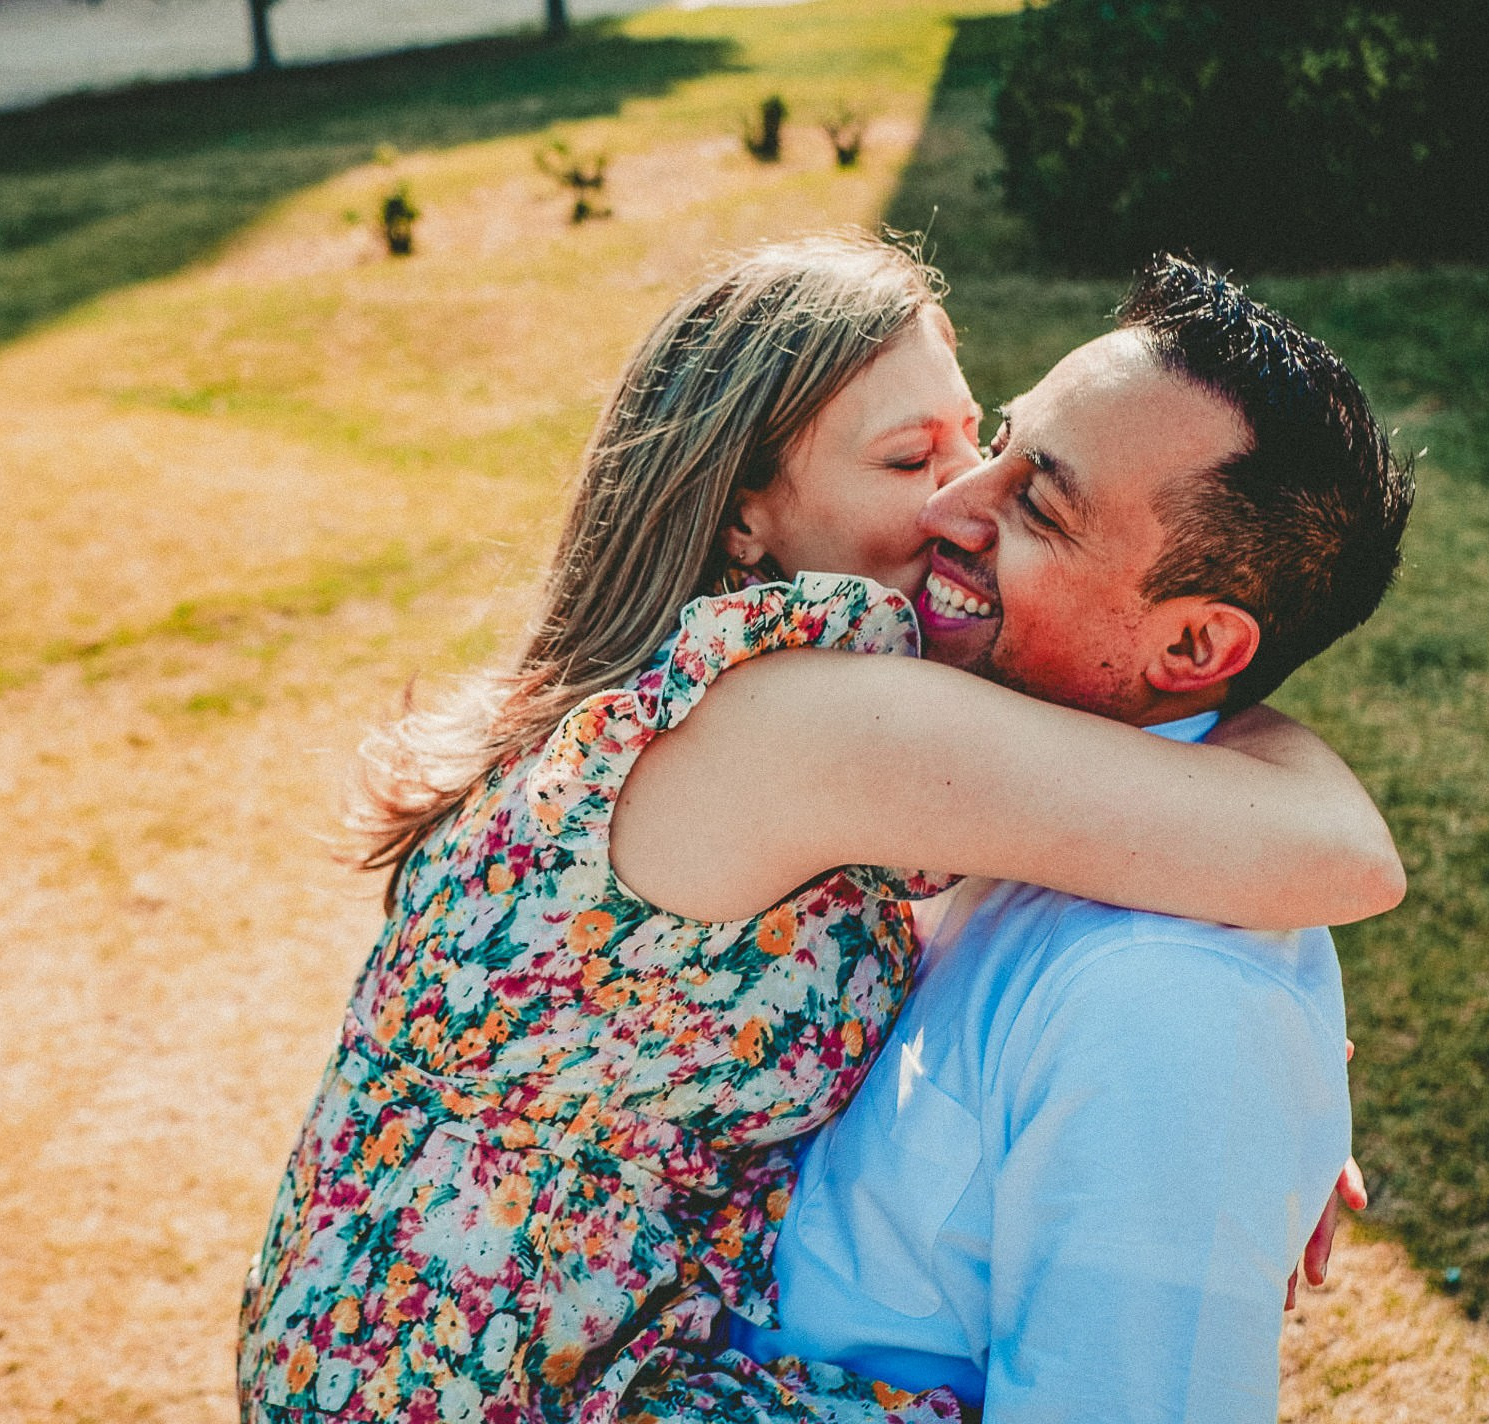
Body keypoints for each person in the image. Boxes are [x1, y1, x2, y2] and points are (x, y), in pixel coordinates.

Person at [236, 234, 1403, 1424]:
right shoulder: (810, 722)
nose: (955, 498)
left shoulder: (750, 700)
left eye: (986, 448)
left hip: (419, 1330)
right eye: (911, 459)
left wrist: (1220, 1130)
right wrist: (1257, 1106)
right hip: (456, 1371)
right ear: (745, 517)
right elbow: (1341, 850)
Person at [719, 255, 1412, 1423]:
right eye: (999, 439)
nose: (947, 507)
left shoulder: (1168, 1010)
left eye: (1036, 501)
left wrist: (1216, 1108)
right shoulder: (984, 783)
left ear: (1192, 652)